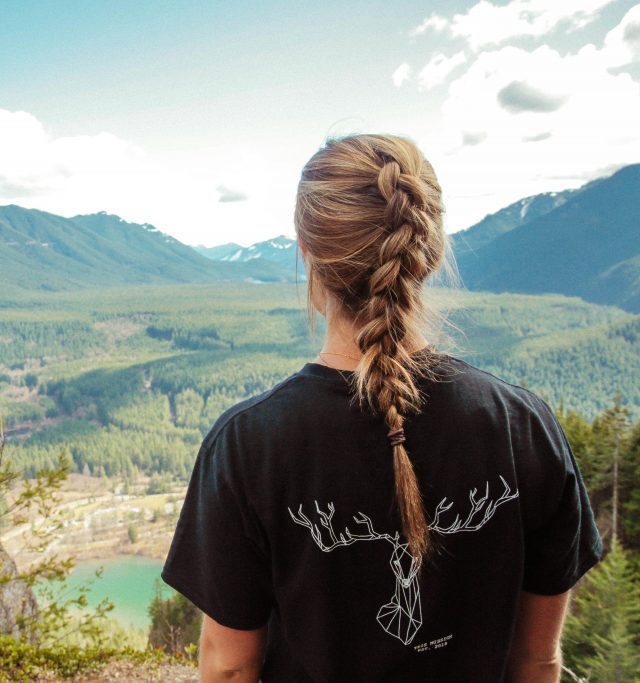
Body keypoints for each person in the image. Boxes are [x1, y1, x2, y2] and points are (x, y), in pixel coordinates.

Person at [160, 134, 603, 682]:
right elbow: (537, 660)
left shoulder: (248, 443)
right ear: (430, 250)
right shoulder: (523, 426)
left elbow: (229, 669)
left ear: (306, 254)